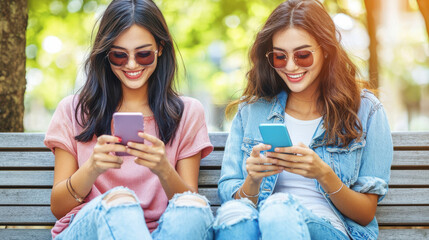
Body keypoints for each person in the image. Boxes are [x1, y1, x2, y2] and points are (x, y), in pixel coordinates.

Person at [213, 0, 393, 240]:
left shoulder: (366, 110)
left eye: (303, 55)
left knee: (278, 209)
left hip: (328, 228)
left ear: (326, 49)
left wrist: (323, 174)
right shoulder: (252, 110)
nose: (290, 66)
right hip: (260, 226)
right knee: (234, 219)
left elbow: (365, 213)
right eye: (280, 57)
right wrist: (253, 181)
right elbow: (231, 199)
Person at [44, 0, 214, 239]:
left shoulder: (187, 112)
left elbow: (188, 207)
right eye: (119, 55)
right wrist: (91, 169)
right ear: (105, 55)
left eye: (143, 54)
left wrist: (164, 168)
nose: (132, 64)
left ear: (161, 48)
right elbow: (58, 208)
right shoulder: (74, 111)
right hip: (92, 228)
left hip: (161, 232)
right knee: (120, 202)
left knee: (195, 209)